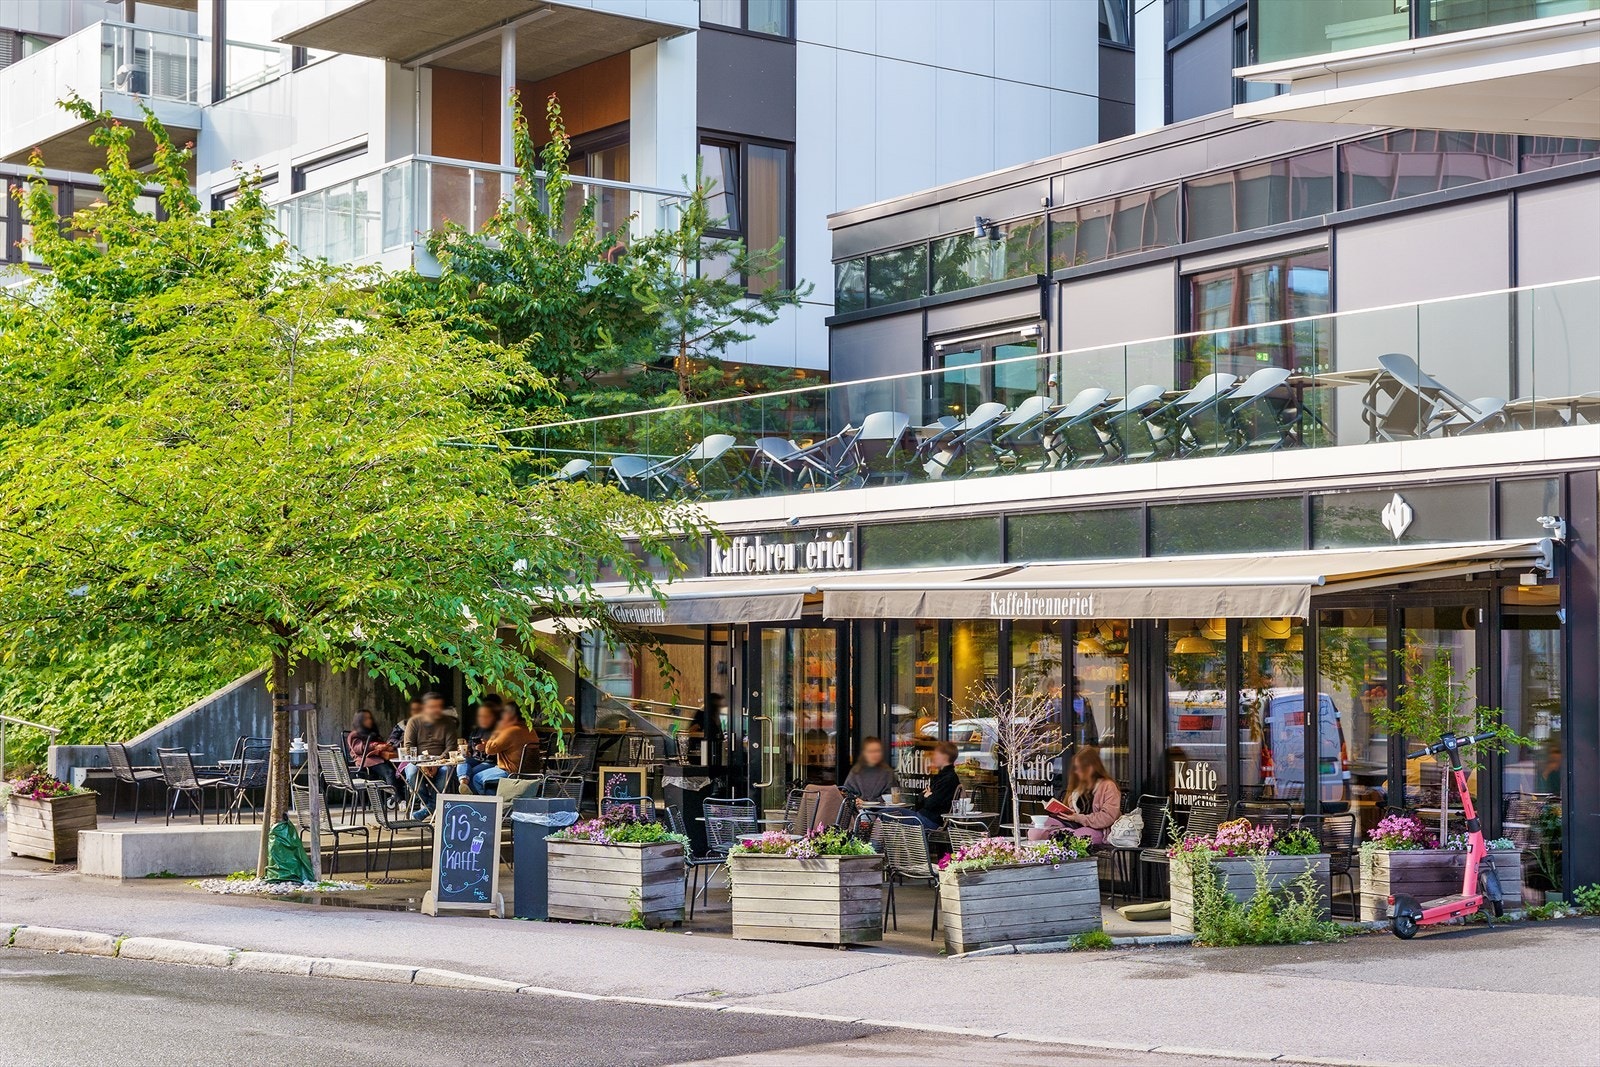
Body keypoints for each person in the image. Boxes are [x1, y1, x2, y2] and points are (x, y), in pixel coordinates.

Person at [1029, 748, 1121, 844]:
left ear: (1091, 768)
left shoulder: (1108, 786)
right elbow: (1073, 812)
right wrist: (1067, 811)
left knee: (1073, 837)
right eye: (1075, 768)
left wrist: (1079, 818)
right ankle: (1055, 836)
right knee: (1038, 829)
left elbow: (1108, 817)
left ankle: (1055, 836)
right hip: (1072, 824)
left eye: (1079, 768)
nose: (1076, 771)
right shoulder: (1079, 784)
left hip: (1097, 829)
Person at [401, 692, 459, 817]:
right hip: (418, 761)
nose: (436, 710)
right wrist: (423, 764)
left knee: (445, 772)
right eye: (432, 706)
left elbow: (451, 747)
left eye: (439, 706)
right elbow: (409, 746)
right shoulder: (414, 722)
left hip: (442, 761)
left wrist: (437, 762)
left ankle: (428, 809)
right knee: (411, 772)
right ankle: (430, 805)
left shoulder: (448, 723)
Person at [478, 705, 542, 795]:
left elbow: (489, 749)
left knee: (476, 779)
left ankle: (493, 804)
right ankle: (497, 799)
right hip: (531, 772)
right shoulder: (530, 729)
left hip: (511, 771)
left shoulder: (510, 731)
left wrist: (497, 730)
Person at [347, 709, 404, 800]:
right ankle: (397, 799)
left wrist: (387, 746)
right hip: (366, 760)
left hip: (379, 757)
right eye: (366, 719)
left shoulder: (372, 733)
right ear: (360, 721)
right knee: (389, 772)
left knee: (398, 770)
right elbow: (357, 748)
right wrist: (375, 746)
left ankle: (401, 795)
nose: (369, 721)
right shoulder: (354, 735)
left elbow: (380, 744)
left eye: (370, 718)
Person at [906, 740, 960, 830]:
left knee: (885, 815)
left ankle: (875, 843)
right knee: (886, 813)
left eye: (936, 754)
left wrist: (925, 797)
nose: (933, 757)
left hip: (930, 821)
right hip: (925, 817)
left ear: (944, 757)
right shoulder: (941, 776)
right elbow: (920, 799)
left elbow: (929, 803)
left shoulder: (948, 779)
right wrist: (926, 796)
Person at [457, 703, 499, 794]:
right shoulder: (476, 730)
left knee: (472, 773)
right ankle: (463, 784)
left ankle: (470, 796)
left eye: (485, 716)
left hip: (491, 762)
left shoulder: (498, 731)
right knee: (462, 761)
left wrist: (485, 748)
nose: (482, 719)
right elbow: (471, 750)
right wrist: (467, 751)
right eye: (480, 716)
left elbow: (499, 751)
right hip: (475, 759)